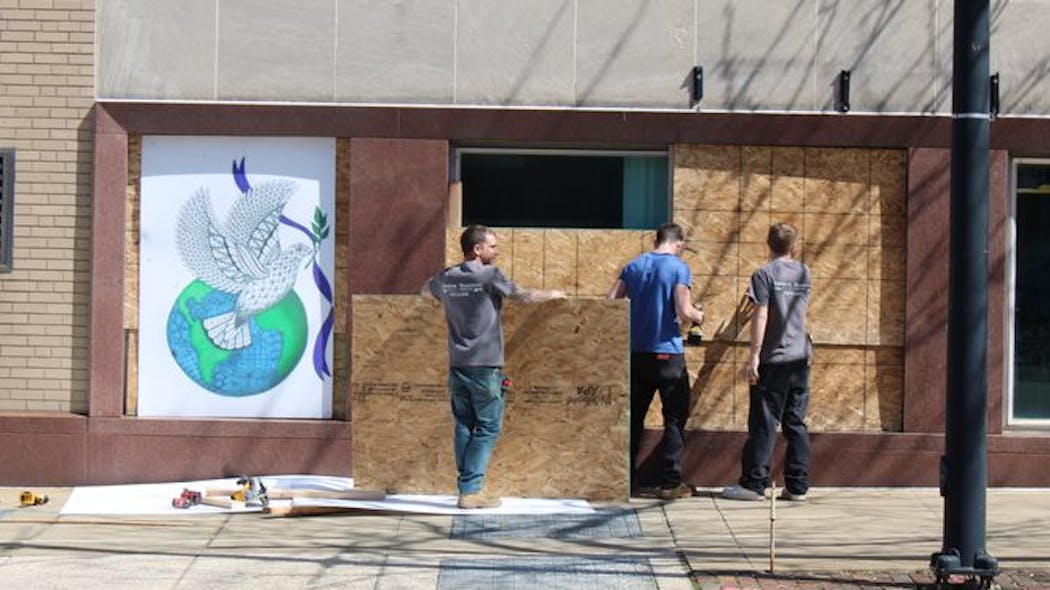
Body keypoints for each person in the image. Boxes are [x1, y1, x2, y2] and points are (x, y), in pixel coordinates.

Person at [424, 224, 564, 509]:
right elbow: (521, 296)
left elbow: (425, 292)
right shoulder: (489, 275)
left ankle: (466, 487)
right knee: (488, 427)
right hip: (485, 364)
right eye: (493, 246)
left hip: (458, 363)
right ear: (477, 249)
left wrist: (455, 305)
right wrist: (553, 295)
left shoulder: (446, 277)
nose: (497, 251)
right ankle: (471, 491)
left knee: (464, 424)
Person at [609, 222, 705, 500]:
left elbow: (611, 303)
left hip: (637, 354)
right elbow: (683, 310)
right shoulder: (678, 267)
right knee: (674, 418)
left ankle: (626, 481)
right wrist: (700, 316)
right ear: (678, 244)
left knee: (634, 418)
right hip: (668, 354)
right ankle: (670, 482)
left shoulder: (633, 266)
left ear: (656, 240)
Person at [722, 222, 812, 502]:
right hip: (800, 356)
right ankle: (797, 486)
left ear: (768, 244)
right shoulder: (804, 272)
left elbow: (761, 315)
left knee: (764, 421)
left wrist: (754, 356)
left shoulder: (763, 274)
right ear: (793, 246)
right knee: (795, 422)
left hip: (774, 358)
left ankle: (753, 483)